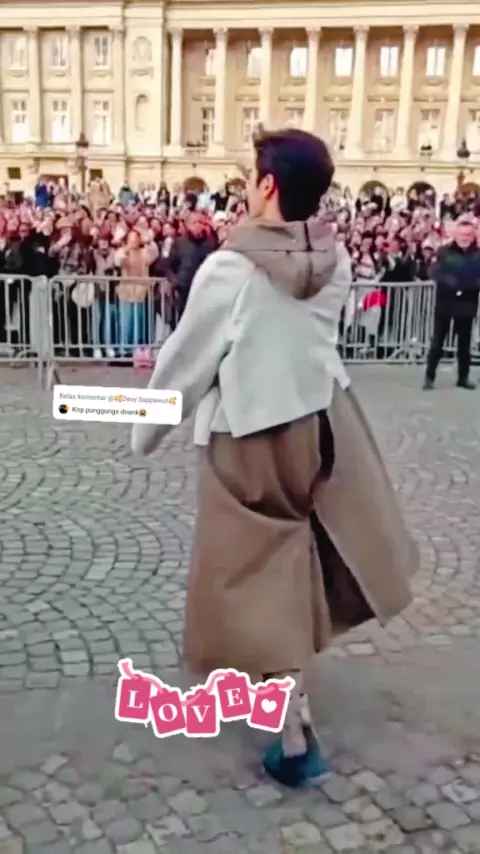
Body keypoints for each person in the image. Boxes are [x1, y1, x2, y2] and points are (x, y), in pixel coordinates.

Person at [131, 128, 417, 788]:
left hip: (250, 434)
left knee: (253, 575)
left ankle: (292, 732)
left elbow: (186, 365)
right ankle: (294, 710)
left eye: (248, 178)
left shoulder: (231, 269)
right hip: (318, 425)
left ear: (267, 185)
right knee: (289, 558)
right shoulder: (337, 261)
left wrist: (143, 431)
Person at [424, 218, 480, 390]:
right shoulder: (443, 252)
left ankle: (463, 378)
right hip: (445, 303)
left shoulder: (478, 254)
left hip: (467, 304)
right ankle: (429, 377)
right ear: (455, 235)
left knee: (464, 345)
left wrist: (468, 286)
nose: (465, 238)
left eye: (468, 235)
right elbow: (433, 271)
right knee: (437, 342)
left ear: (473, 236)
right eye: (462, 234)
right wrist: (451, 283)